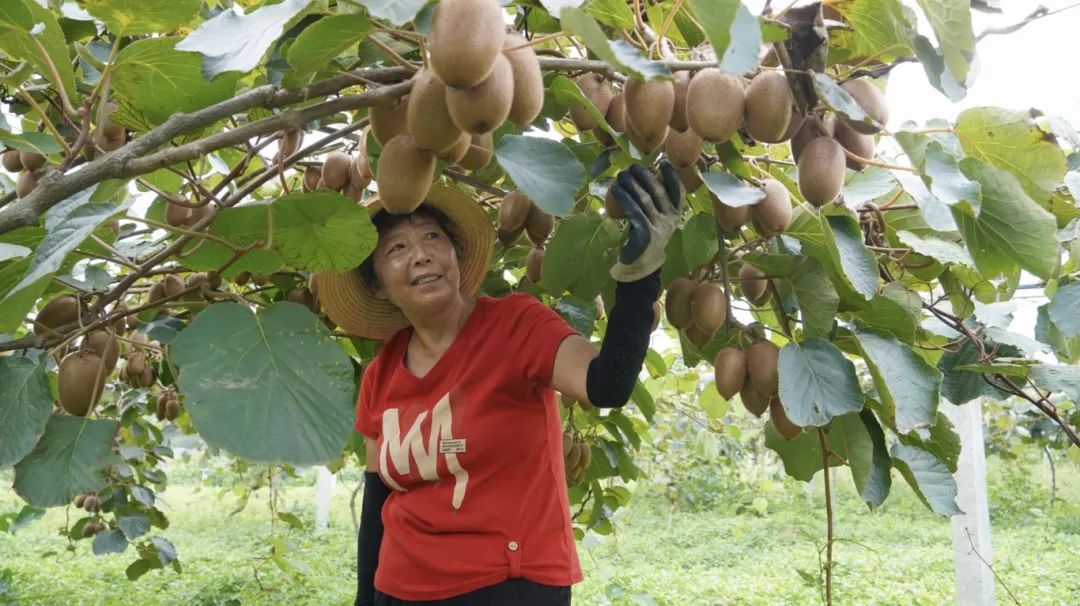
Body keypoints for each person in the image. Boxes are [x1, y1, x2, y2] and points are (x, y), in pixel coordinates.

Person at [315, 162, 684, 606]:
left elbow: (607, 385)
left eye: (433, 237)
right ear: (378, 287)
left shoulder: (517, 324)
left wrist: (640, 276)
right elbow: (378, 500)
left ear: (455, 254)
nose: (421, 254)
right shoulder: (382, 372)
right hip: (398, 588)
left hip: (509, 586)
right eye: (397, 248)